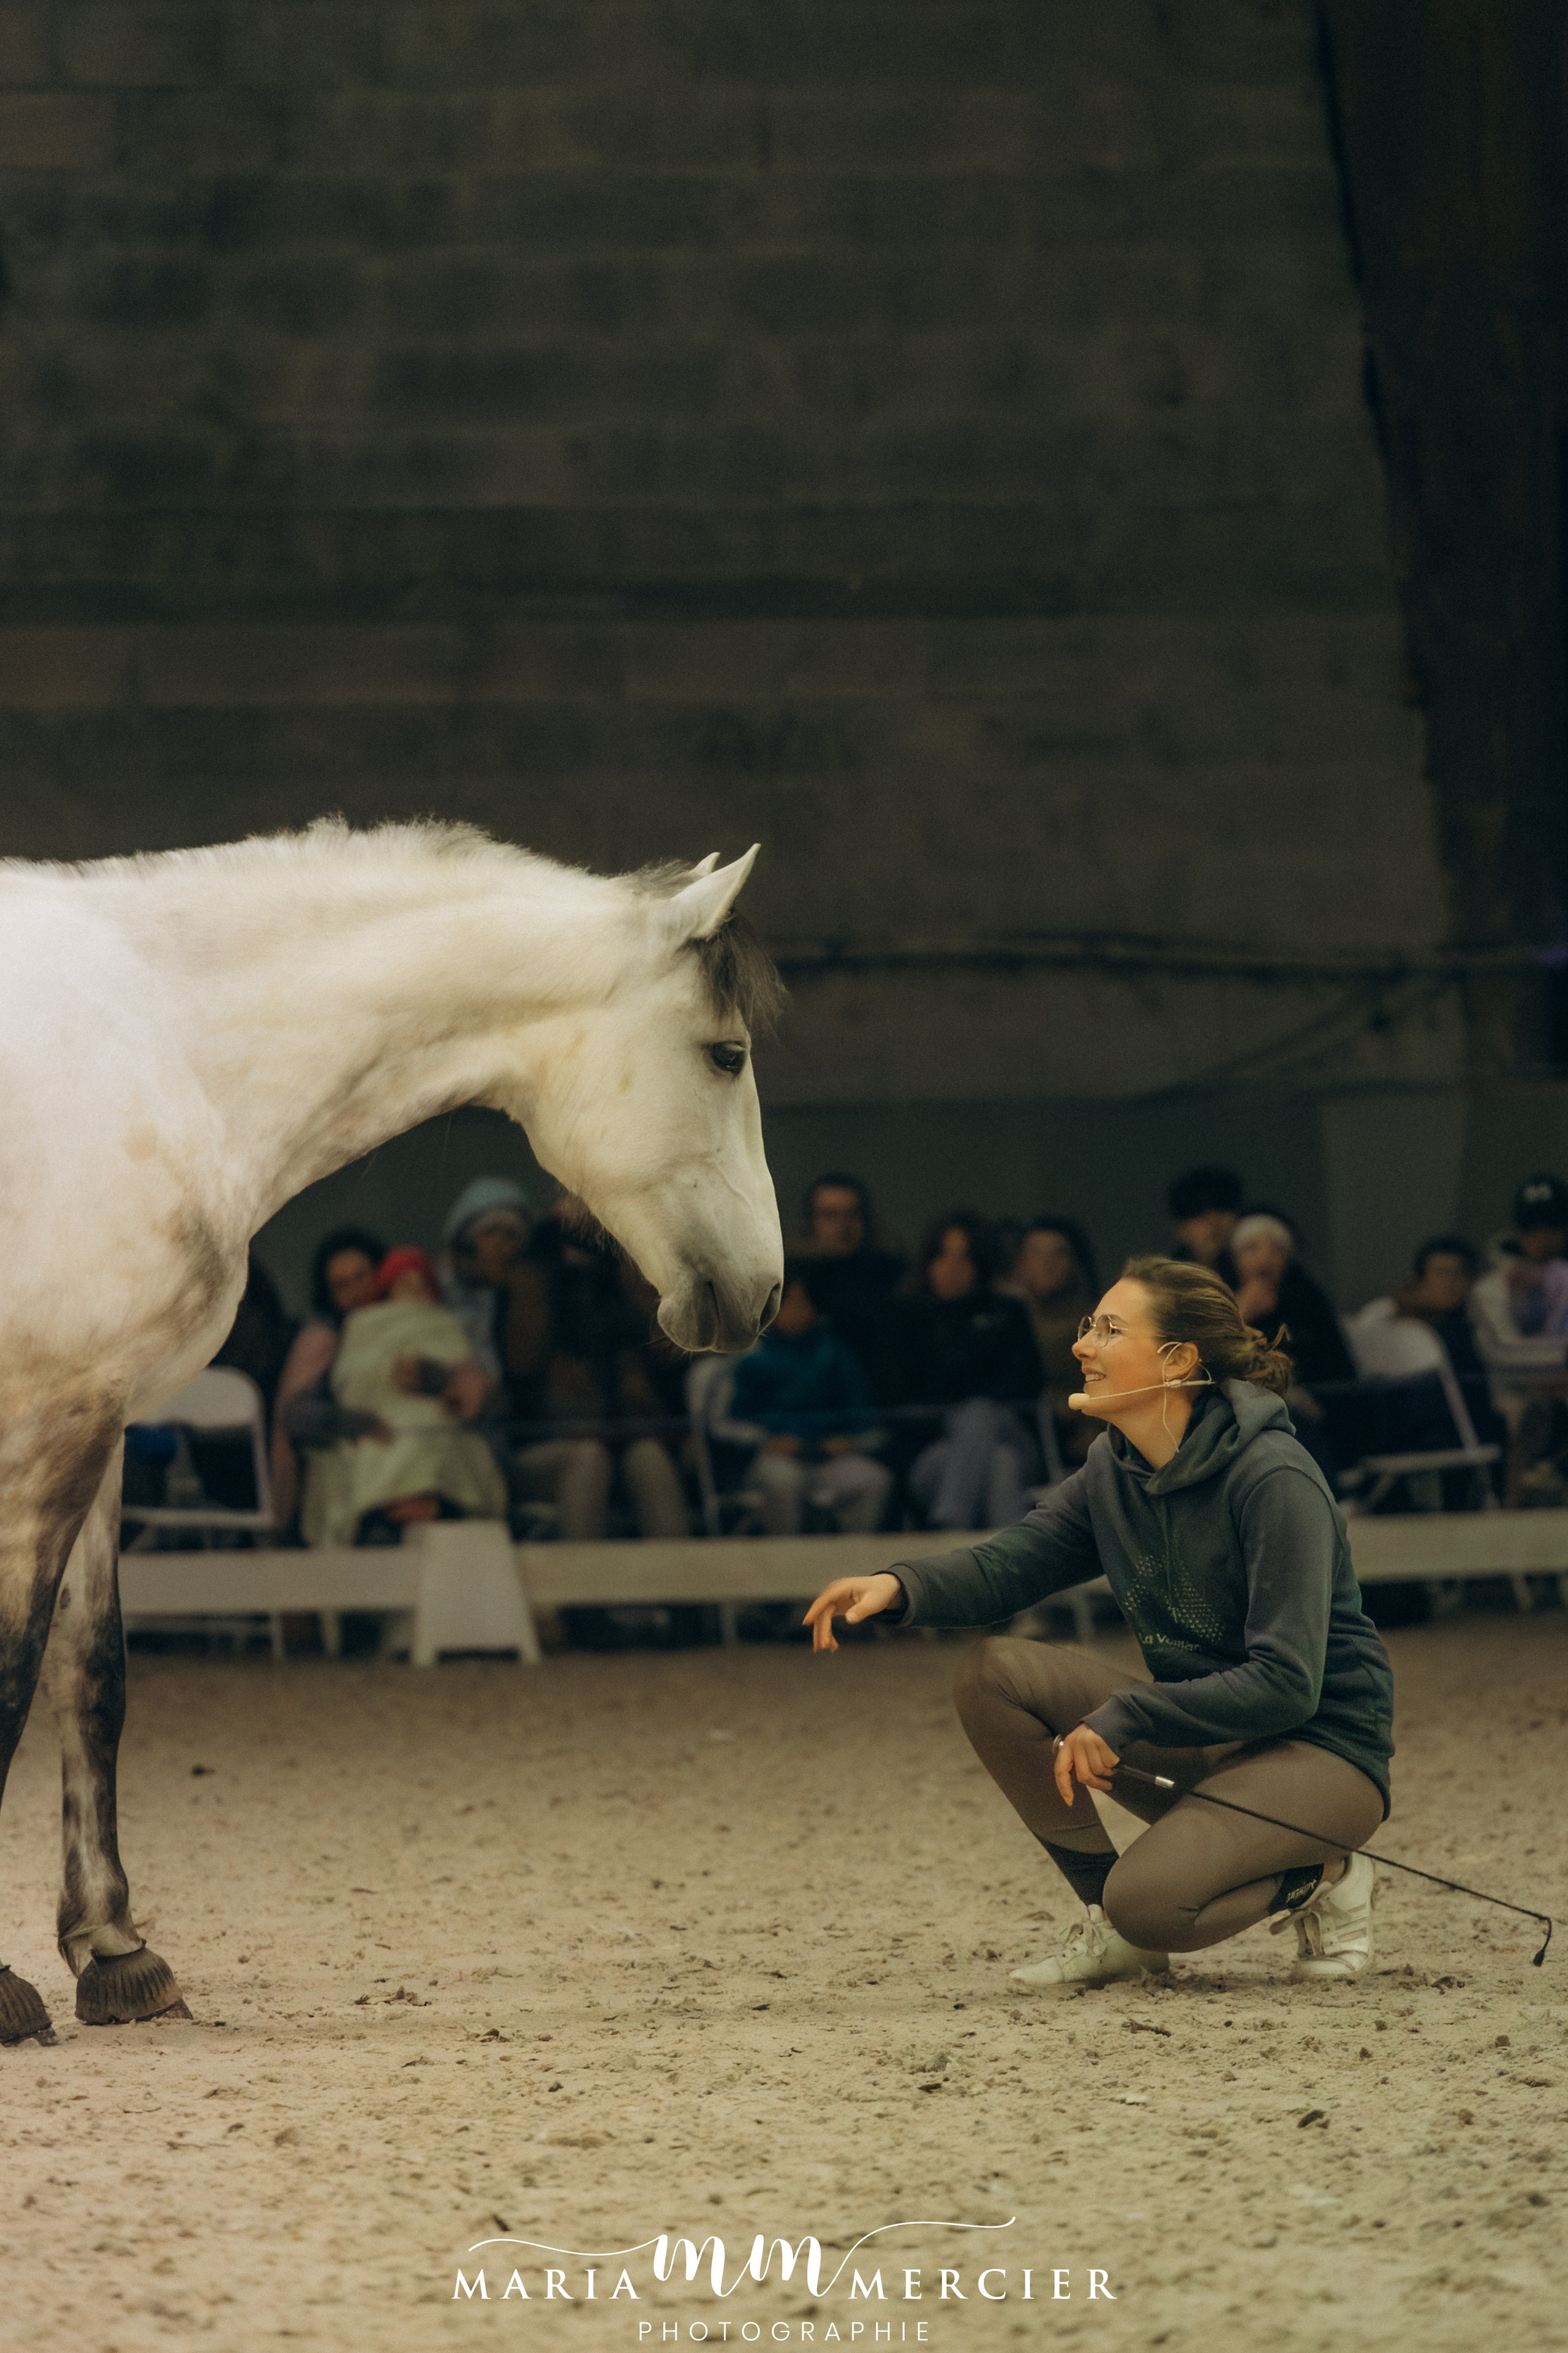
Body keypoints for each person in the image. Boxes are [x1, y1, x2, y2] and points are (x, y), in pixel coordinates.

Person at [805, 1256, 1393, 1990]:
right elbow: (1009, 1566)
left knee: (1150, 1903)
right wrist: (899, 1585)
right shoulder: (1112, 1467)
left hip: (1320, 1752)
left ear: (1177, 1362)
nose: (1082, 1344)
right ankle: (1109, 1923)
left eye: (1109, 1329)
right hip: (1208, 1738)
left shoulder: (1273, 1476)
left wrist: (1126, 1713)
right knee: (993, 1675)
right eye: (1088, 1325)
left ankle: (1322, 1869)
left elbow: (1287, 1684)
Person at [510, 1193, 690, 1540]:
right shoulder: (535, 1267)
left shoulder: (626, 1268)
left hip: (632, 1428)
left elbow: (668, 1352)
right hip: (554, 1433)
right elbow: (523, 1361)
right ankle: (583, 1588)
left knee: (649, 1458)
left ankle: (679, 1587)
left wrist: (628, 1254)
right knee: (590, 1458)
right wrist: (547, 1242)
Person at [303, 1245, 507, 1544]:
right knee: (387, 1442)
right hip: (376, 1423)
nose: (414, 1290)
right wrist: (359, 1413)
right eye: (404, 1283)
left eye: (421, 1283)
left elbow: (470, 1381)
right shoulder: (356, 1329)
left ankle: (435, 1505)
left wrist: (444, 1378)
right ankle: (385, 1515)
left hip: (439, 1419)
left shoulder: (444, 1322)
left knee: (435, 1437)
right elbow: (350, 1382)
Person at [894, 1212, 1044, 1530]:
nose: (952, 1268)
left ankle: (950, 1526)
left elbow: (1024, 1384)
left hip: (1009, 1430)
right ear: (929, 1262)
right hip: (935, 1451)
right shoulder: (908, 1318)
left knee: (979, 1412)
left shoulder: (1007, 1313)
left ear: (981, 1264)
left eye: (965, 1257)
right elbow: (902, 1396)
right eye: (943, 1256)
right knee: (1001, 1463)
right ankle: (1014, 1565)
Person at [718, 1265, 892, 1534]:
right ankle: (789, 1564)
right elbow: (729, 1426)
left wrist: (848, 1442)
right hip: (774, 1459)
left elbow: (866, 1420)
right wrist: (766, 1441)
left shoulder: (835, 1353)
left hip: (828, 1459)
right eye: (787, 1304)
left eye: (803, 1303)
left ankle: (854, 1564)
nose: (795, 1312)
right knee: (785, 1481)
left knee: (874, 1480)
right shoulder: (752, 1358)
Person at [270, 1226, 387, 1530]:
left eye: (361, 1276)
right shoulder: (326, 1337)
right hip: (353, 1459)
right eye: (341, 1285)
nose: (355, 1290)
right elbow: (296, 1414)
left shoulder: (407, 1319)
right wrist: (356, 1424)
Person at [1469, 1175, 1568, 1500]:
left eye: (1553, 1228)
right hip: (1510, 1402)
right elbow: (1504, 1359)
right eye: (1532, 1230)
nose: (1544, 1240)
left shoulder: (1563, 1278)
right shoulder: (1490, 1288)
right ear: (1517, 1233)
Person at [792, 1172, 905, 1400]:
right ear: (811, 1221)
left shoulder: (894, 1278)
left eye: (852, 1214)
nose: (843, 1226)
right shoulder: (790, 1284)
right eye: (830, 1215)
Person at [1009, 1216, 1100, 1470]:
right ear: (1020, 1264)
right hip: (1022, 1429)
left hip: (1080, 1430)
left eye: (1058, 1255)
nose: (1047, 1265)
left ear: (1074, 1262)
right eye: (1037, 1255)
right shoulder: (1006, 1320)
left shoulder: (1098, 1320)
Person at [437, 1176, 535, 1397]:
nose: (500, 1244)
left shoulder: (518, 1295)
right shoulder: (431, 1285)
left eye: (511, 1235)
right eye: (490, 1232)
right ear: (465, 1240)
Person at [1167, 1166, 1243, 1272]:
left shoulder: (1256, 1275)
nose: (1213, 1221)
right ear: (1179, 1229)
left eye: (1221, 1208)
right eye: (1198, 1212)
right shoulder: (1163, 1283)